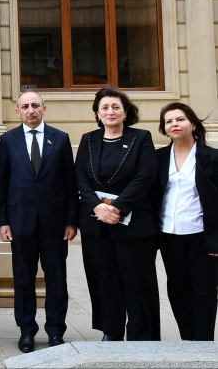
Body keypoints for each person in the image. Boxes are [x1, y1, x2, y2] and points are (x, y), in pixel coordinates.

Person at [75, 87, 159, 342]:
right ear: (98, 114)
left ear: (125, 112)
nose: (110, 112)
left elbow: (145, 176)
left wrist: (119, 207)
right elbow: (80, 177)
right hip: (97, 224)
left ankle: (141, 334)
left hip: (133, 225)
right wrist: (97, 206)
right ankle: (111, 330)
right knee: (104, 279)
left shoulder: (140, 138)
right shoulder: (88, 140)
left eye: (115, 107)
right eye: (104, 108)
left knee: (137, 280)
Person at [0, 92, 78, 353]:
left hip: (54, 224)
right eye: (25, 106)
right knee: (23, 279)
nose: (30, 110)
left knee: (56, 279)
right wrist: (3, 221)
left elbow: (70, 183)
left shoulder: (61, 138)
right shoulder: (8, 140)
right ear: (17, 111)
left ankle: (55, 331)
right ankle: (27, 331)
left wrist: (71, 221)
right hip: (21, 223)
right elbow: (2, 183)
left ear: (44, 108)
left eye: (35, 105)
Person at [154, 102, 218, 341]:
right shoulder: (158, 157)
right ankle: (188, 341)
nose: (174, 124)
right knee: (177, 290)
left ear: (192, 124)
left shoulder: (211, 157)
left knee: (204, 291)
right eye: (169, 121)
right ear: (164, 128)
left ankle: (203, 343)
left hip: (201, 234)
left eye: (180, 119)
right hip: (169, 234)